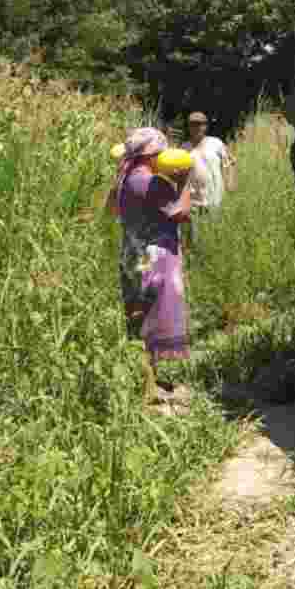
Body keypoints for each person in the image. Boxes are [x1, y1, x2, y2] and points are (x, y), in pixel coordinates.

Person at [106, 127, 192, 397]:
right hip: (154, 259)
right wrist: (185, 183)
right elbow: (181, 213)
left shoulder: (123, 179)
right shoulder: (153, 182)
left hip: (131, 256)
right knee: (152, 319)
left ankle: (146, 383)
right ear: (151, 155)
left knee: (137, 318)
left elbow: (110, 209)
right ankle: (148, 389)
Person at [184, 111, 235, 245]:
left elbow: (230, 162)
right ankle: (196, 256)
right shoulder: (184, 147)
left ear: (205, 126)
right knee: (194, 237)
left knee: (215, 234)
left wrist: (230, 181)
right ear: (188, 127)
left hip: (214, 197)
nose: (196, 127)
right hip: (193, 200)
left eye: (200, 124)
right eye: (192, 124)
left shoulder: (216, 143)